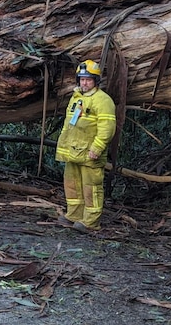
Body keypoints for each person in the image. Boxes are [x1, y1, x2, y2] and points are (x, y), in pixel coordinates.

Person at [55, 59, 116, 232]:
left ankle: (91, 222)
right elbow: (69, 126)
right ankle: (74, 215)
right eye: (82, 79)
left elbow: (107, 128)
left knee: (92, 188)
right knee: (72, 185)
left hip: (90, 153)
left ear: (96, 81)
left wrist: (97, 149)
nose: (84, 82)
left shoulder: (103, 100)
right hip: (73, 152)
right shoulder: (76, 98)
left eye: (88, 79)